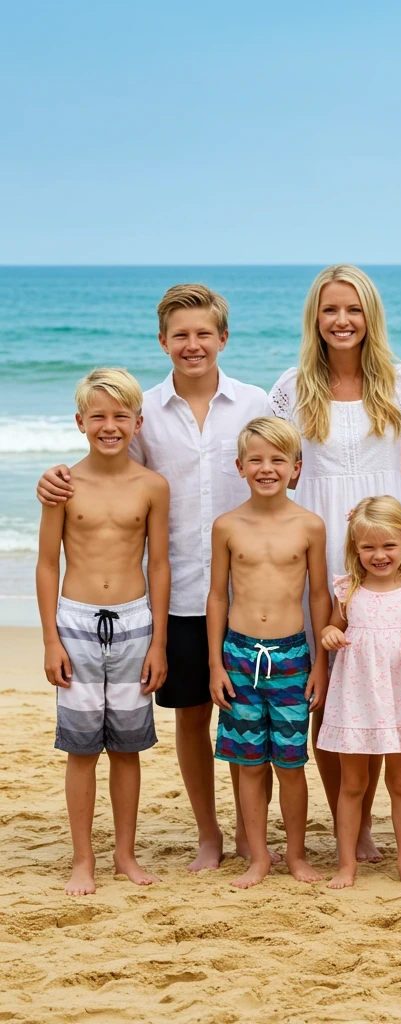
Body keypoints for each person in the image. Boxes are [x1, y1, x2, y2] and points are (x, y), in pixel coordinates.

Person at [36, 284, 273, 872]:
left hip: (254, 590)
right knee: (192, 715)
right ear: (163, 341)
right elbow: (108, 468)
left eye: (203, 334)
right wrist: (52, 479)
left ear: (223, 338)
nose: (193, 345)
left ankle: (252, 834)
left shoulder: (256, 404)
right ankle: (209, 834)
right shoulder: (146, 413)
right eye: (181, 335)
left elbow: (282, 466)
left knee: (250, 715)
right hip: (181, 594)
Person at [270, 264, 401, 864]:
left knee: (382, 684)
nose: (342, 321)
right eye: (331, 310)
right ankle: (350, 832)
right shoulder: (292, 387)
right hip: (315, 546)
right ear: (316, 317)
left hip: (378, 550)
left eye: (353, 310)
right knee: (329, 689)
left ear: (370, 317)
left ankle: (374, 825)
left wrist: (378, 509)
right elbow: (278, 468)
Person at [36, 368, 170, 895]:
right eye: (98, 416)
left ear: (138, 423)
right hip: (76, 624)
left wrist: (158, 640)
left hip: (136, 623)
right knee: (81, 749)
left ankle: (124, 855)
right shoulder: (64, 484)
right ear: (80, 422)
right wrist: (50, 638)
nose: (109, 426)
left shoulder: (152, 486)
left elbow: (158, 563)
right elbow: (48, 563)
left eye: (120, 416)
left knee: (127, 748)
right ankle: (82, 859)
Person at [207, 417, 331, 889]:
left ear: (296, 468)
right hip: (239, 657)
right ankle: (258, 856)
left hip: (292, 658)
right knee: (249, 764)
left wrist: (320, 662)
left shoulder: (309, 526)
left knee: (291, 763)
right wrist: (216, 663)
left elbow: (319, 596)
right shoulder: (227, 526)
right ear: (240, 467)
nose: (267, 468)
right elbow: (217, 596)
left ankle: (296, 855)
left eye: (278, 460)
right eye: (256, 460)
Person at [318, 496, 401, 888]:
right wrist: (330, 634)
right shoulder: (348, 590)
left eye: (388, 545)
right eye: (369, 547)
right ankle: (346, 865)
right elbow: (328, 629)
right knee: (352, 784)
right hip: (356, 696)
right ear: (355, 549)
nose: (379, 555)